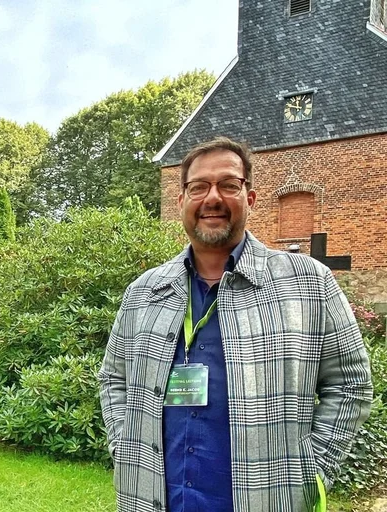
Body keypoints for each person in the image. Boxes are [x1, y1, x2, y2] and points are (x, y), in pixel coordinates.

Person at [98, 137, 373, 512]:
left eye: (229, 185)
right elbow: (113, 378)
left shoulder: (308, 283)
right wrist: (124, 446)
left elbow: (350, 382)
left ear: (251, 199)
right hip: (153, 499)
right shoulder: (144, 292)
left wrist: (312, 468)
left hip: (267, 499)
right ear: (181, 202)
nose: (212, 198)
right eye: (198, 187)